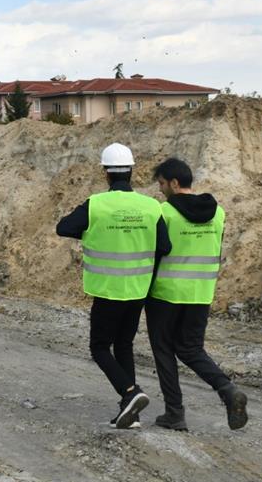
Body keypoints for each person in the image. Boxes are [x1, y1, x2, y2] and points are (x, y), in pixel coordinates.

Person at [56, 143, 170, 429]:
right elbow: (165, 247)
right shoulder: (151, 206)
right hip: (137, 290)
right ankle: (129, 413)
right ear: (131, 171)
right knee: (124, 345)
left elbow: (64, 227)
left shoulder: (96, 204)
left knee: (99, 347)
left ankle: (130, 392)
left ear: (106, 173)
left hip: (108, 289)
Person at [145, 157, 249, 431]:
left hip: (165, 294)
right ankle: (227, 390)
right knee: (191, 349)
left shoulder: (164, 213)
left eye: (162, 184)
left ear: (175, 183)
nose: (160, 190)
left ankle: (175, 413)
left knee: (164, 350)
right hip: (201, 293)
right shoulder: (219, 213)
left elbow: (156, 252)